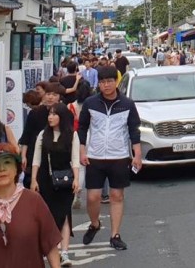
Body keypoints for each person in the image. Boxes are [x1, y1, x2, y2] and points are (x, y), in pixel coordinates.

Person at [77, 66, 142, 251]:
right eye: (103, 82)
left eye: (110, 81)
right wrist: (82, 151)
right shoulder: (91, 103)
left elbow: (133, 131)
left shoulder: (127, 104)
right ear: (99, 83)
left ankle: (115, 235)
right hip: (95, 156)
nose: (106, 85)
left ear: (116, 82)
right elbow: (82, 128)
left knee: (116, 195)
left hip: (119, 155)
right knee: (92, 197)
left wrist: (137, 154)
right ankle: (95, 223)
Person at [30, 104, 80, 266]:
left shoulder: (72, 136)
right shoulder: (43, 134)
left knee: (65, 215)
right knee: (48, 216)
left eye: (54, 114)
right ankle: (52, 250)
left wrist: (77, 179)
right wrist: (34, 179)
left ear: (62, 117)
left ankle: (64, 252)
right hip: (46, 180)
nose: (50, 117)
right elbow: (36, 159)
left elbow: (75, 160)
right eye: (49, 114)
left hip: (65, 180)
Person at [19, 83, 63, 187]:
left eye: (54, 94)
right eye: (48, 94)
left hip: (57, 154)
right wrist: (23, 155)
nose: (50, 97)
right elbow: (26, 136)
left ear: (59, 97)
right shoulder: (35, 113)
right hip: (34, 153)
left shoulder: (64, 113)